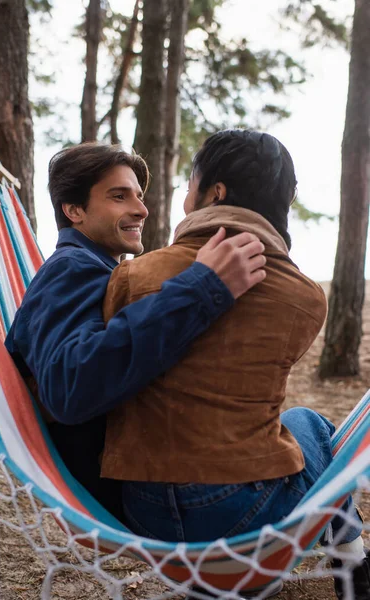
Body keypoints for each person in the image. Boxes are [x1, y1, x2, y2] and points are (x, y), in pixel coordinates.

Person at [101, 130, 369, 599]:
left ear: (215, 193)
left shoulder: (133, 274)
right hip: (238, 512)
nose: (186, 196)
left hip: (143, 509)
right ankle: (353, 562)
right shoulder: (305, 298)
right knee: (310, 424)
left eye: (190, 183)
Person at [5, 142, 266, 518]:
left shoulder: (96, 271)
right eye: (118, 196)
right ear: (74, 210)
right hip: (126, 490)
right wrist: (204, 287)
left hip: (130, 475)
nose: (141, 209)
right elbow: (70, 385)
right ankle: (349, 560)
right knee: (308, 428)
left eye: (139, 196)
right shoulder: (72, 268)